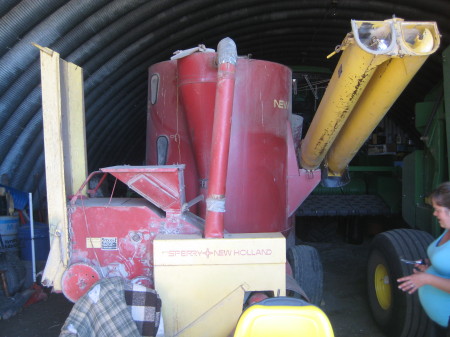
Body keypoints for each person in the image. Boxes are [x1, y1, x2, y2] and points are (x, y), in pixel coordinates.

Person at [398, 181, 450, 335]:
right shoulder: (446, 230)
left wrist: (427, 279)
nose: (434, 214)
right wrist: (430, 268)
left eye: (438, 210)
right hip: (440, 320)